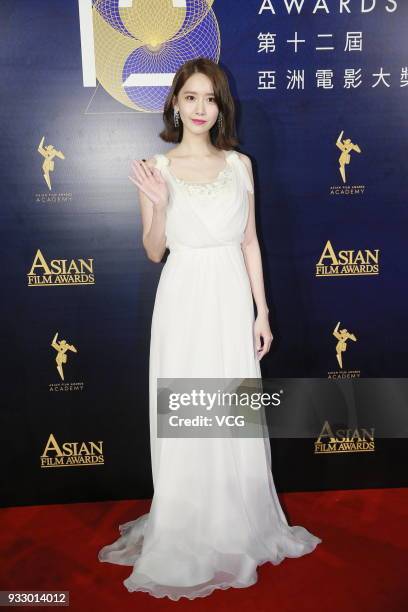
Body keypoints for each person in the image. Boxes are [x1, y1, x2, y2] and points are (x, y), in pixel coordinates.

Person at [98, 57, 322, 601]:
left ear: (222, 107)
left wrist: (261, 312)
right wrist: (156, 204)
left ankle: (235, 523)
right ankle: (185, 525)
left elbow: (249, 244)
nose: (201, 108)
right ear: (175, 102)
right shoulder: (157, 167)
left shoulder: (240, 165)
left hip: (228, 298)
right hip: (182, 300)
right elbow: (154, 252)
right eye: (191, 97)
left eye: (211, 98)